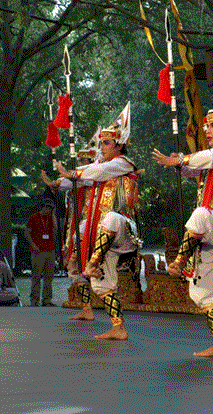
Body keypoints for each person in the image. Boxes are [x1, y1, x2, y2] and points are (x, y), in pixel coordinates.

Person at [152, 81, 213, 358]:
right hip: (210, 232)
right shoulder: (210, 160)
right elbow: (192, 169)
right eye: (205, 126)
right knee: (202, 291)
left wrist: (183, 159)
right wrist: (179, 162)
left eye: (212, 126)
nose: (206, 130)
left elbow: (209, 157)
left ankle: (179, 260)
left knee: (201, 214)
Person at [55, 103, 141, 340]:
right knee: (102, 285)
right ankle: (118, 327)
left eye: (106, 143)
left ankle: (91, 262)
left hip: (124, 229)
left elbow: (95, 172)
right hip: (104, 237)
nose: (101, 147)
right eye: (101, 143)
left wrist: (73, 172)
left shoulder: (123, 164)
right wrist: (62, 178)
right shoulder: (101, 167)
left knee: (111, 217)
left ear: (119, 145)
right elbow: (87, 175)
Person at [41, 132, 99, 318]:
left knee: (83, 262)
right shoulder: (79, 178)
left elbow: (78, 178)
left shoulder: (96, 174)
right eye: (80, 160)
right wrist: (55, 184)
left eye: (85, 160)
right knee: (75, 265)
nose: (81, 163)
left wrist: (60, 181)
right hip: (78, 226)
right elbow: (68, 182)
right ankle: (86, 307)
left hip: (95, 225)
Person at [25, 197, 57, 306]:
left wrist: (53, 215)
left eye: (50, 208)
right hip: (38, 251)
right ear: (42, 207)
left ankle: (47, 300)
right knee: (36, 276)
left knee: (49, 276)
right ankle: (34, 300)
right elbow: (27, 233)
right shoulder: (33, 217)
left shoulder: (51, 218)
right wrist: (33, 245)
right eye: (46, 208)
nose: (47, 210)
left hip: (50, 250)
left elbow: (57, 228)